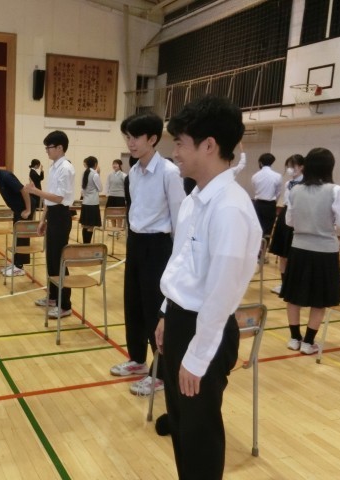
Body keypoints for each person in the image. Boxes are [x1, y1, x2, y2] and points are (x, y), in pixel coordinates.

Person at [156, 95, 262, 479]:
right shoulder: (194, 200)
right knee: (182, 425)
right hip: (181, 321)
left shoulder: (230, 207)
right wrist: (166, 314)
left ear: (209, 145)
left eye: (180, 143)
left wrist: (198, 356)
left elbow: (222, 292)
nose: (175, 153)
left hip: (207, 330)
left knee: (200, 433)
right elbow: (180, 264)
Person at [110, 113, 185, 398]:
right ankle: (137, 360)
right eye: (127, 137)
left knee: (155, 310)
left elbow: (179, 219)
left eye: (135, 137)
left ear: (152, 139)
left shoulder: (169, 173)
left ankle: (161, 372)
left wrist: (175, 260)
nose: (130, 143)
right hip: (136, 243)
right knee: (134, 304)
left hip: (159, 246)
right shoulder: (133, 174)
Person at [281, 148, 340, 354]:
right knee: (319, 299)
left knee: (293, 296)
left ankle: (294, 338)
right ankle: (308, 342)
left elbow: (289, 221)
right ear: (330, 167)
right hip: (325, 251)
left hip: (299, 249)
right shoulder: (335, 190)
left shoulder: (295, 190)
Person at [23, 130, 75, 319]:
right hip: (53, 214)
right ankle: (53, 297)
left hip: (61, 215)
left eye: (49, 147)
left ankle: (65, 304)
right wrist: (43, 219)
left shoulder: (66, 168)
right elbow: (49, 199)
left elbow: (59, 198)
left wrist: (35, 191)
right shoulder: (53, 167)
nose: (47, 150)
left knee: (59, 260)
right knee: (51, 259)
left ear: (60, 147)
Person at [268, 154, 304, 294]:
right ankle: (284, 284)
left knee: (293, 254)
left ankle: (293, 285)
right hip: (285, 214)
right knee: (282, 253)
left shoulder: (305, 183)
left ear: (301, 167)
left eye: (292, 166)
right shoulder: (288, 183)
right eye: (288, 166)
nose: (290, 169)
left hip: (298, 217)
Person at [251, 152, 282, 238]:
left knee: (256, 229)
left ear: (260, 163)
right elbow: (278, 192)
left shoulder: (255, 176)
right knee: (268, 231)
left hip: (258, 204)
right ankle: (266, 245)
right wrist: (274, 202)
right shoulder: (277, 176)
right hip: (270, 205)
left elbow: (255, 190)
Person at [79, 156, 102, 244]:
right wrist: (98, 174)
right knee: (90, 226)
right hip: (93, 203)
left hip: (85, 202)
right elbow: (100, 189)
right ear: (95, 164)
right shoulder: (95, 174)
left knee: (85, 225)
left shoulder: (84, 173)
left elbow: (83, 188)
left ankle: (85, 244)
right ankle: (87, 245)